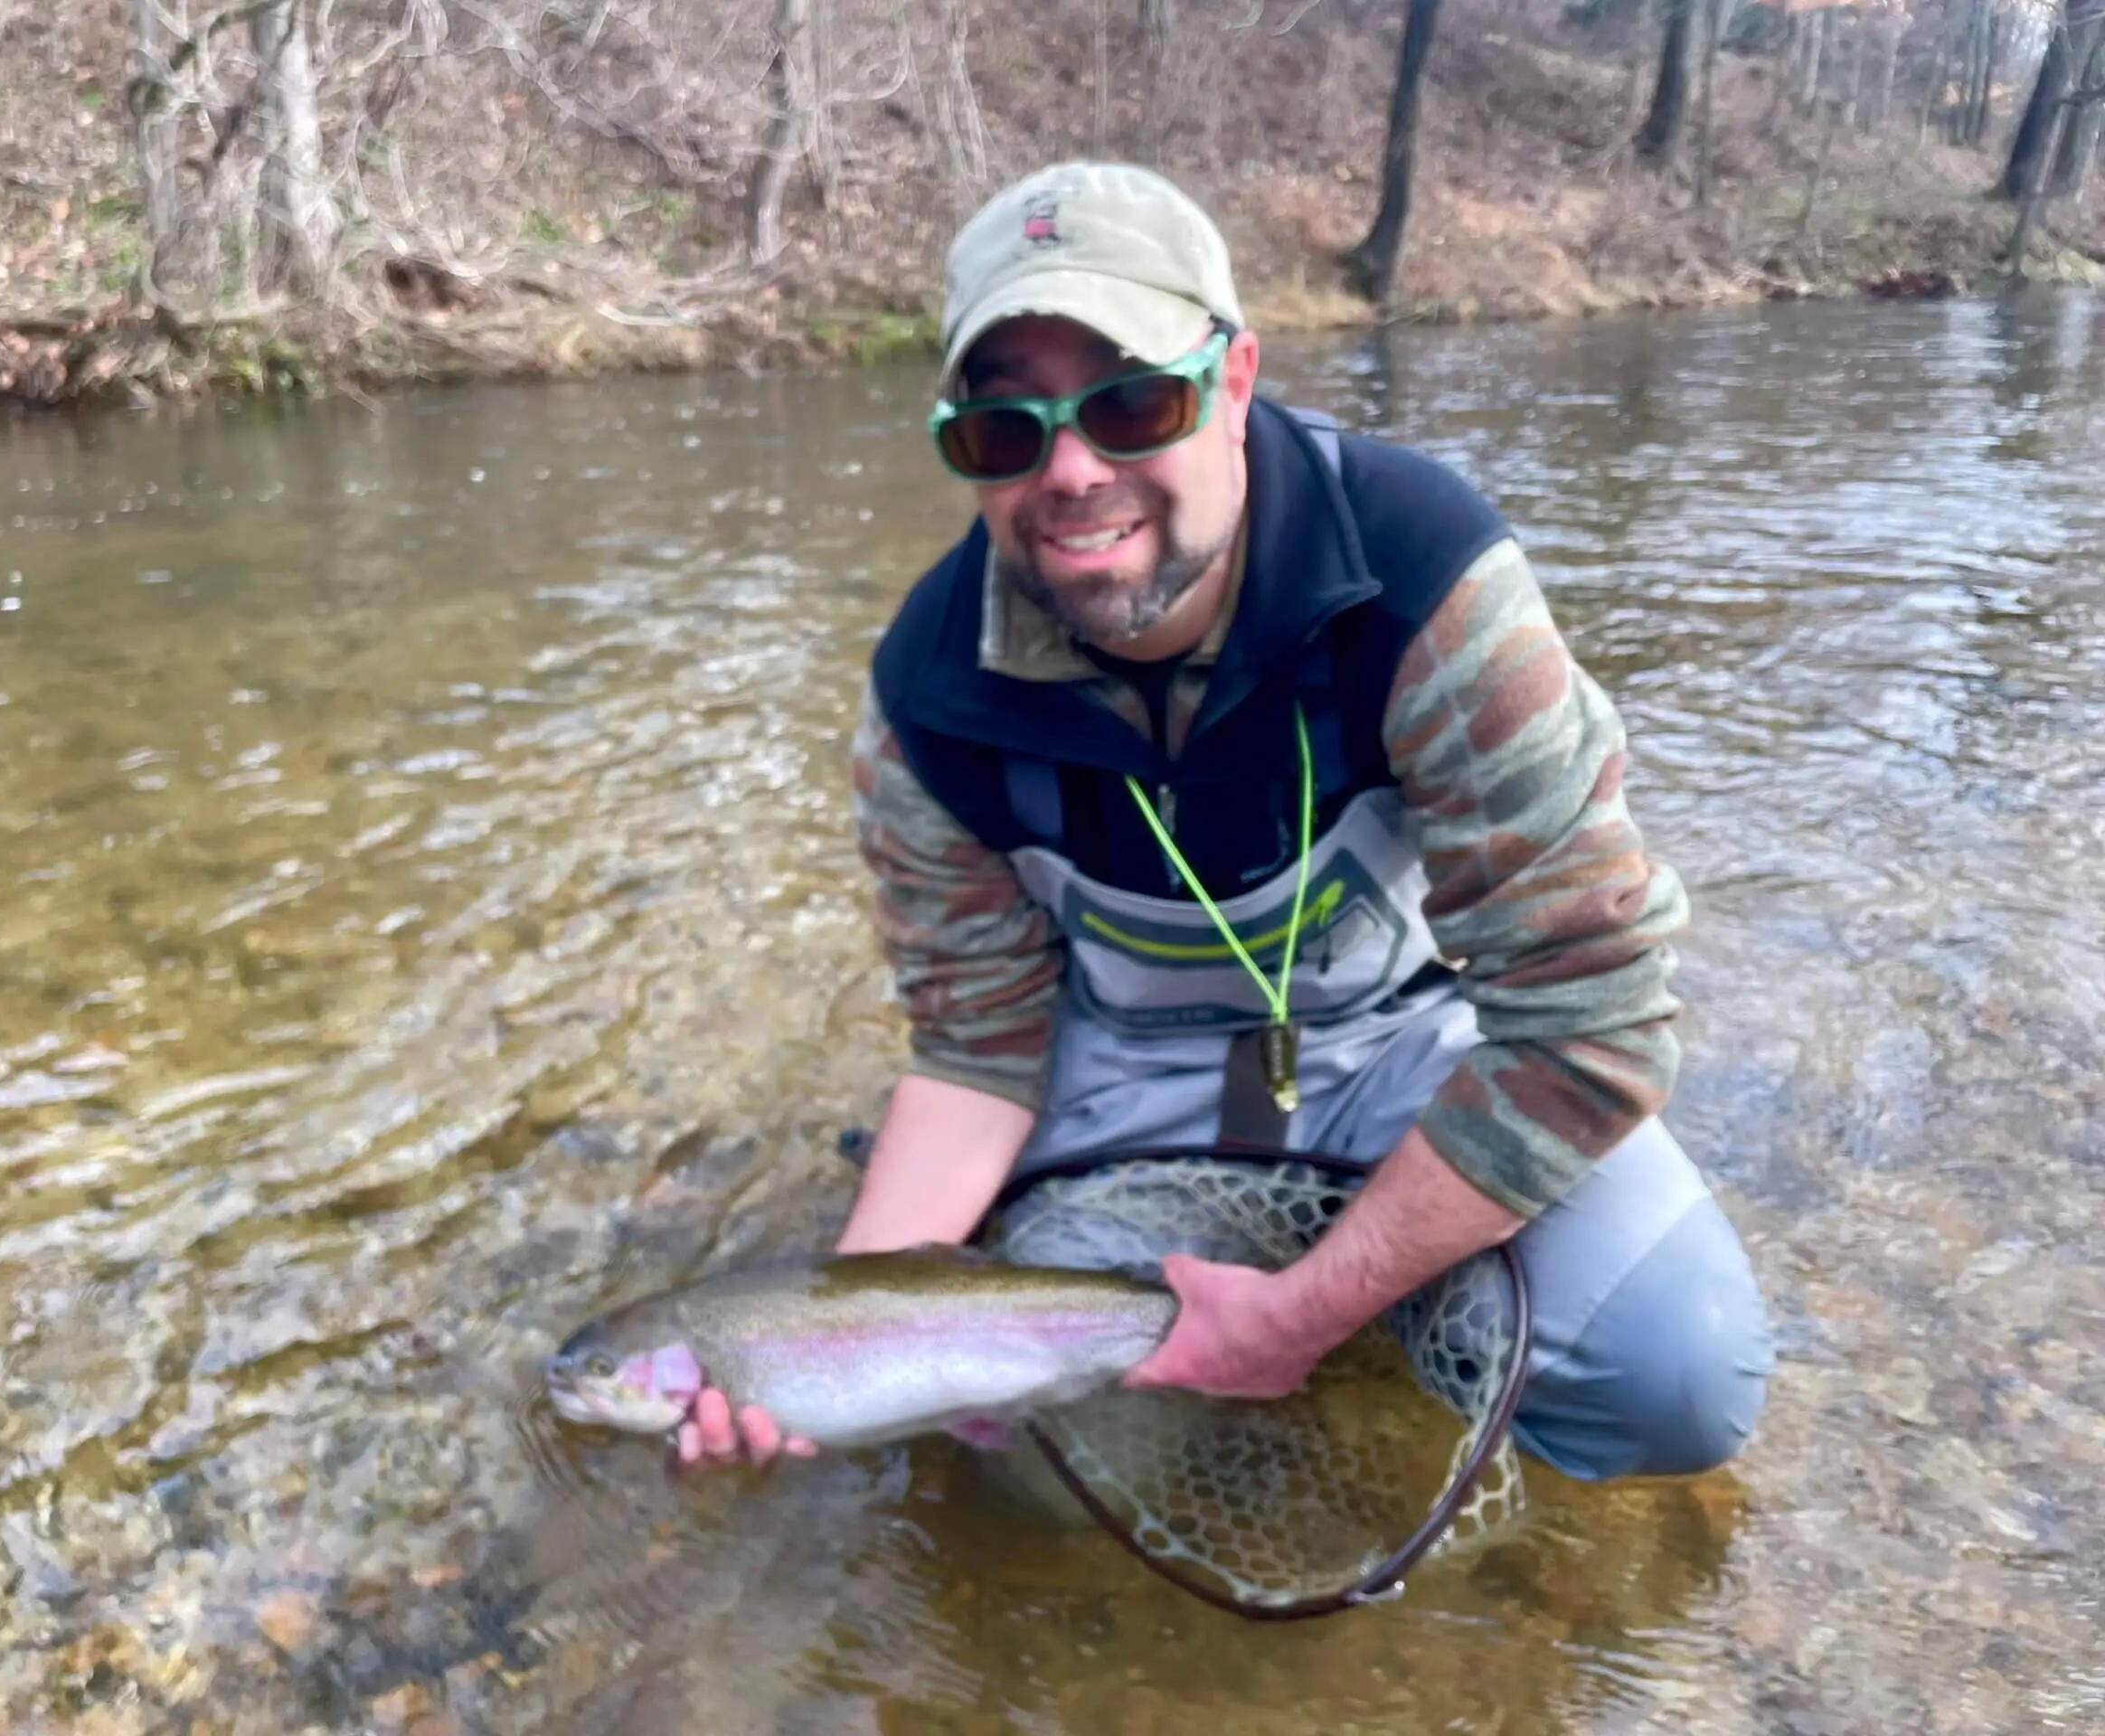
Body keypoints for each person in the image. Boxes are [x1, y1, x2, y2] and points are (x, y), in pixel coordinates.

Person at [675, 161, 1773, 1483]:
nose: (1072, 472)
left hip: (1398, 1042)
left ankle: (1401, 1279)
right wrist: (827, 1346)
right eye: (1004, 432)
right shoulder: (926, 695)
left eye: (1131, 402)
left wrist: (1302, 1317)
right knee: (1036, 1480)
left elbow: (1591, 1021)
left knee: (1677, 1376)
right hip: (1121, 1078)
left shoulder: (1427, 587)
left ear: (1235, 382)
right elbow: (978, 1045)